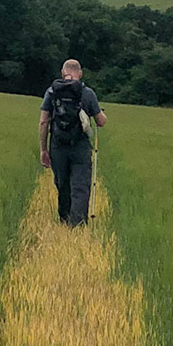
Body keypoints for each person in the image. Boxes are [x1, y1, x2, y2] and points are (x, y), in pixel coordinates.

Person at [40, 58, 106, 226]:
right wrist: (101, 114)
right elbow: (100, 121)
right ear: (80, 74)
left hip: (58, 145)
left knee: (63, 184)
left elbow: (43, 122)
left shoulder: (52, 92)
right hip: (80, 146)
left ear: (63, 73)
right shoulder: (87, 93)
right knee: (80, 186)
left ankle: (64, 219)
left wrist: (43, 149)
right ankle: (77, 226)